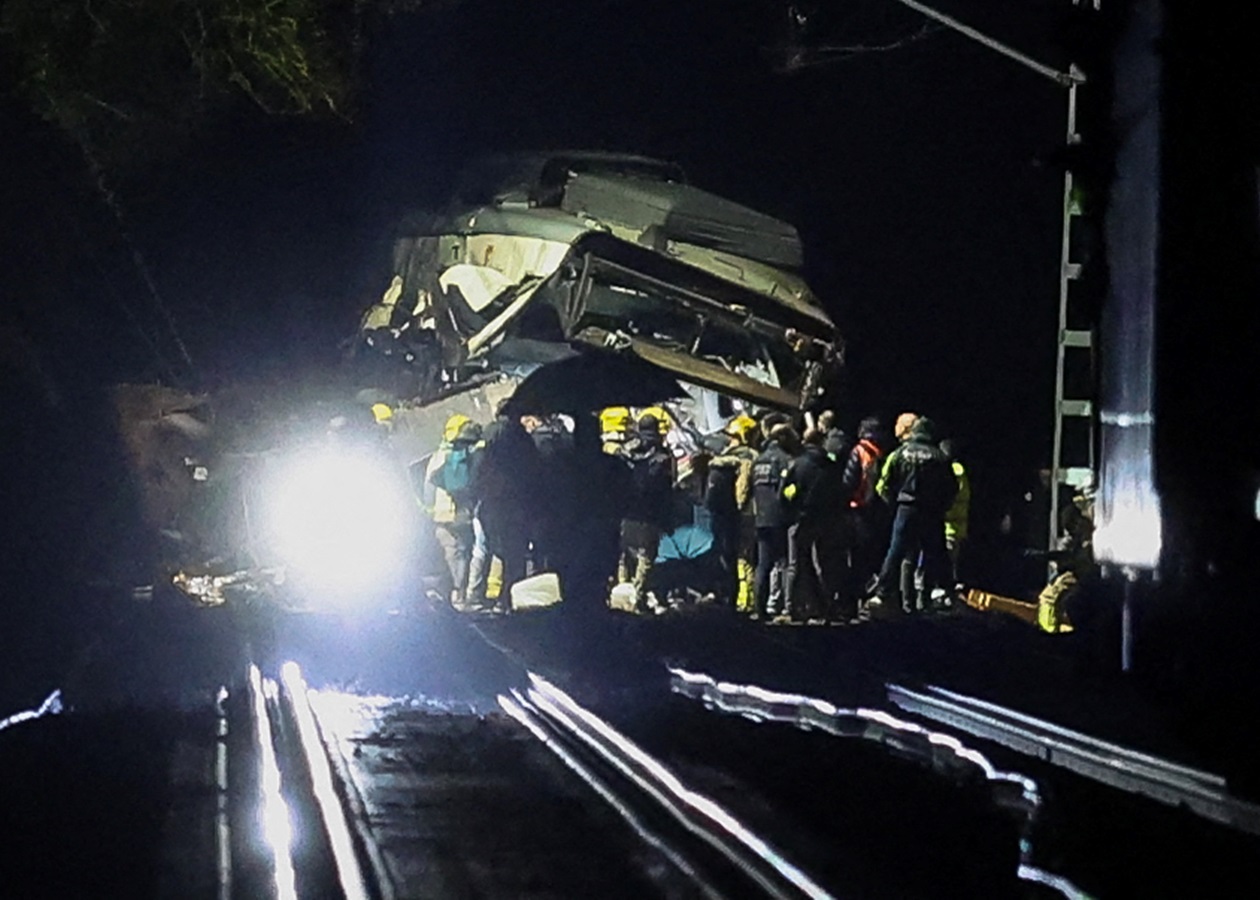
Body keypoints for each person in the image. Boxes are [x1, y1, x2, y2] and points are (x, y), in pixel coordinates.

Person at [871, 417, 957, 613]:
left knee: (896, 552)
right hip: (931, 511)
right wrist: (942, 507)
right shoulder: (940, 457)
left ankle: (882, 593)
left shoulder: (899, 453)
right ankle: (942, 590)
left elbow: (883, 484)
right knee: (936, 552)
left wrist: (894, 504)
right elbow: (952, 487)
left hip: (905, 508)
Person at [472, 407, 542, 612]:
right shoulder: (520, 437)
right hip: (516, 505)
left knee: (492, 550)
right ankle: (509, 599)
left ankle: (487, 595)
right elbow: (534, 472)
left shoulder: (487, 434)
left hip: (491, 504)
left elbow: (478, 469)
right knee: (515, 555)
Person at [618, 412, 675, 607]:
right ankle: (638, 598)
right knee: (646, 556)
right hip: (650, 514)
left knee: (624, 555)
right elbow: (667, 491)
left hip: (626, 512)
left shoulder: (624, 453)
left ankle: (620, 594)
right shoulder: (663, 457)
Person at [426, 416, 483, 608]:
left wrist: (430, 511)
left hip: (440, 516)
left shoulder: (437, 456)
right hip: (460, 512)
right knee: (465, 553)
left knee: (451, 555)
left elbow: (429, 485)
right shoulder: (467, 454)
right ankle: (462, 593)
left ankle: (454, 594)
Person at [782, 427, 837, 623]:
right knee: (824, 563)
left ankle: (795, 608)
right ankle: (828, 606)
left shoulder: (799, 464)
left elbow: (785, 493)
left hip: (801, 519)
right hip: (827, 520)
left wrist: (792, 511)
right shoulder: (831, 465)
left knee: (796, 564)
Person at [705, 414, 759, 609]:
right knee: (745, 558)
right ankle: (746, 599)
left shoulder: (720, 459)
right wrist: (739, 507)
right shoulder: (748, 457)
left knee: (726, 556)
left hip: (720, 515)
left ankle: (726, 596)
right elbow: (743, 487)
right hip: (743, 515)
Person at [751, 423, 796, 618]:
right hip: (782, 518)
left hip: (761, 518)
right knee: (785, 563)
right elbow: (789, 491)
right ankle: (787, 606)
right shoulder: (785, 460)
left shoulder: (758, 461)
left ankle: (759, 608)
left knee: (763, 564)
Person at [842, 416, 887, 608]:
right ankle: (866, 597)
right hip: (875, 510)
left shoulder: (859, 452)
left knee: (855, 558)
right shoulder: (880, 455)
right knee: (869, 557)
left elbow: (849, 482)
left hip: (857, 510)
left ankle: (852, 602)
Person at [940, 438, 971, 587]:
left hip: (948, 526)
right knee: (952, 562)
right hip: (958, 527)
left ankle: (945, 590)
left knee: (945, 562)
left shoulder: (949, 470)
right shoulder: (961, 470)